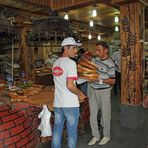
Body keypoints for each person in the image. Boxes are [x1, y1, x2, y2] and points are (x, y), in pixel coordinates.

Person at [51, 37, 86, 148]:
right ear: (66, 48)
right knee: (71, 132)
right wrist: (80, 94)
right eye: (74, 48)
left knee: (57, 130)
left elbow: (62, 81)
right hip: (70, 104)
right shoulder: (71, 63)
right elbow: (70, 85)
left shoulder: (56, 62)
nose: (76, 51)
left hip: (58, 103)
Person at [88, 41, 115, 146]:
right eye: (96, 50)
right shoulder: (95, 60)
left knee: (106, 115)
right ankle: (95, 135)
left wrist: (100, 81)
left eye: (99, 50)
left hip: (104, 92)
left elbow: (112, 81)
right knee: (93, 115)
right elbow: (92, 72)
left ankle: (106, 136)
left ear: (105, 50)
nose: (97, 52)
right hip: (93, 91)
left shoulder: (110, 64)